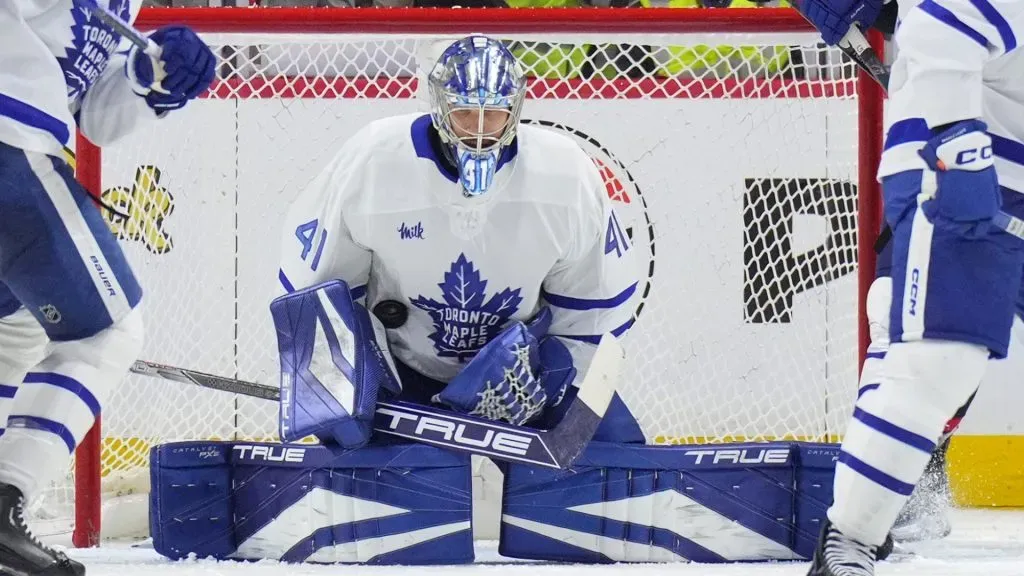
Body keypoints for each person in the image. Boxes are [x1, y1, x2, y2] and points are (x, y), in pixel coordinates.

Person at [274, 34, 645, 452]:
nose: (481, 131)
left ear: (516, 109)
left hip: (523, 385)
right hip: (400, 380)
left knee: (623, 459)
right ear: (439, 106)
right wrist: (350, 380)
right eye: (466, 113)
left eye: (496, 114)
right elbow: (317, 296)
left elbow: (593, 317)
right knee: (348, 476)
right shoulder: (373, 163)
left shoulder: (567, 177)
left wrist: (552, 376)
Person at [796, 0, 1024, 574]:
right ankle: (851, 537)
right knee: (939, 358)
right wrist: (957, 143)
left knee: (916, 342)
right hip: (967, 163)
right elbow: (940, 24)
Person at [0, 1, 215, 573]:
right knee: (105, 331)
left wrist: (148, 78)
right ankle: (3, 503)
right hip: (8, 140)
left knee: (12, 331)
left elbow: (92, 113)